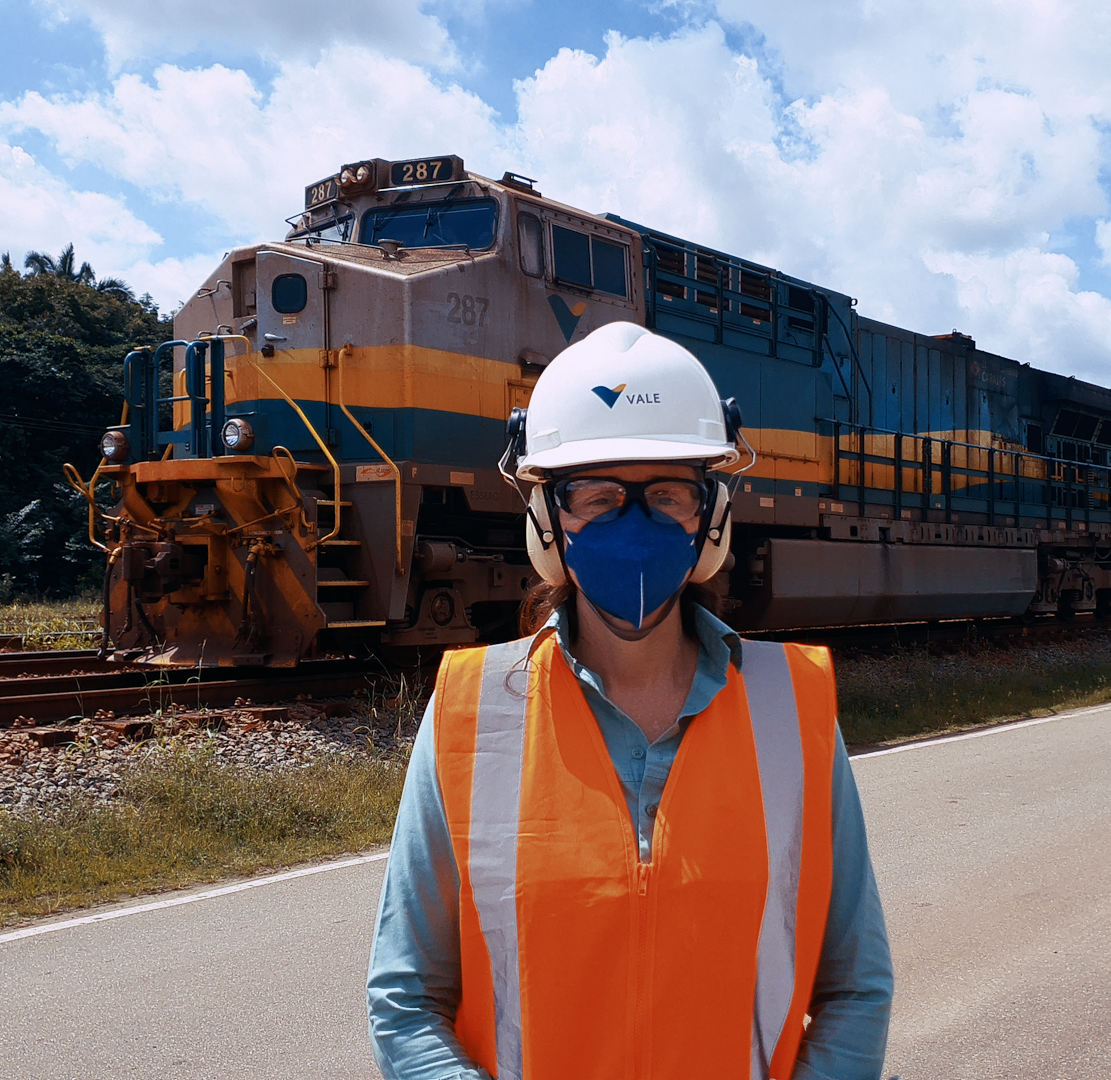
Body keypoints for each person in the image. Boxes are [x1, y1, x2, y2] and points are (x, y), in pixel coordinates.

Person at [368, 322, 893, 1079]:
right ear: (548, 517)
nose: (636, 523)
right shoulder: (469, 713)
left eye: (669, 493)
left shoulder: (794, 707)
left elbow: (854, 986)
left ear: (710, 515)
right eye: (597, 494)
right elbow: (406, 996)